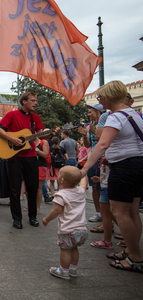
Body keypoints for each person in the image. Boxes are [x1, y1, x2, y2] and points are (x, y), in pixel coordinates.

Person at [81, 80, 143, 273]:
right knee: (132, 211)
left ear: (109, 97)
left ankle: (135, 257)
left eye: (100, 97)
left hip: (124, 168)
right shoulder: (135, 114)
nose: (99, 101)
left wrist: (84, 169)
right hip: (138, 165)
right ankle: (131, 250)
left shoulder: (116, 117)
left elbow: (102, 144)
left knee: (119, 212)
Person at [0, 91, 59, 229]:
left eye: (36, 100)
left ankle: (32, 216)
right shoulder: (11, 115)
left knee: (32, 188)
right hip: (15, 157)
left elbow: (42, 136)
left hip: (30, 157)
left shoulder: (35, 117)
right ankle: (17, 219)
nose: (36, 103)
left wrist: (52, 133)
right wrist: (12, 139)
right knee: (15, 189)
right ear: (24, 101)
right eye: (33, 100)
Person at [42, 166, 89, 280]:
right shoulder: (81, 191)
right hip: (82, 230)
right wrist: (84, 173)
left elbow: (57, 211)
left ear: (62, 180)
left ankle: (64, 271)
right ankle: (73, 269)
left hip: (67, 230)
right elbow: (83, 184)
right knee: (74, 249)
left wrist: (47, 219)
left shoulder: (61, 195)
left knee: (65, 250)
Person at [78, 103, 105, 223]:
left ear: (98, 112)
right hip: (93, 157)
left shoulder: (105, 125)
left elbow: (103, 140)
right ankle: (98, 212)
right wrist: (85, 135)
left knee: (103, 187)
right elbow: (88, 145)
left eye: (91, 112)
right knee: (94, 187)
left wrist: (94, 133)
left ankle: (106, 215)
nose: (89, 114)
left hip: (103, 158)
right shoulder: (90, 126)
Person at [48, 136, 68, 201]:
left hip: (53, 167)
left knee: (51, 181)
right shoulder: (62, 149)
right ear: (59, 142)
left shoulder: (50, 149)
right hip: (61, 167)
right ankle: (59, 193)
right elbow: (67, 158)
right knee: (59, 181)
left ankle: (53, 194)